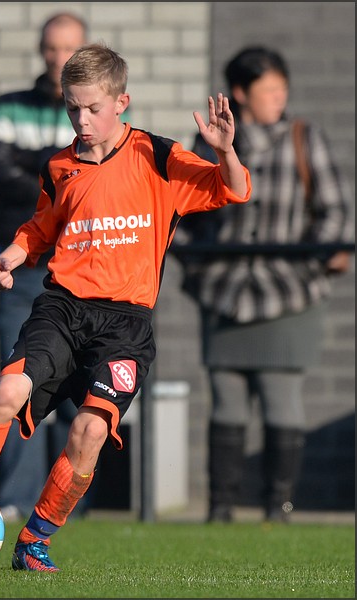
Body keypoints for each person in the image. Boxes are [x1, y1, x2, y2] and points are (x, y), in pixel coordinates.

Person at [0, 43, 251, 572]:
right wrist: (15, 254)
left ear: (122, 102)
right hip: (62, 309)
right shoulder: (60, 166)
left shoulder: (158, 156)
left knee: (89, 431)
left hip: (125, 325)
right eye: (72, 108)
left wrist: (224, 150)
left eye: (92, 108)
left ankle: (35, 538)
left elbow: (237, 190)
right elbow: (42, 227)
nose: (81, 120)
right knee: (7, 391)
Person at [175, 46, 352, 524]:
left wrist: (312, 261)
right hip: (224, 290)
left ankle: (278, 508)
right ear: (240, 93)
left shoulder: (304, 137)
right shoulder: (209, 140)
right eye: (268, 89)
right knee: (226, 400)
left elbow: (335, 211)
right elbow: (184, 211)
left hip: (290, 293)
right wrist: (196, 266)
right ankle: (221, 508)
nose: (279, 97)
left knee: (282, 398)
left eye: (282, 89)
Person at [0, 11, 91, 522]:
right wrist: (60, 182)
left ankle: (70, 504)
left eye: (68, 48)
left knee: (80, 392)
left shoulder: (96, 110)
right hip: (24, 267)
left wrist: (38, 169)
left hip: (82, 271)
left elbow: (104, 176)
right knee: (15, 382)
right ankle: (16, 499)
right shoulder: (10, 105)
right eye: (50, 48)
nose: (58, 58)